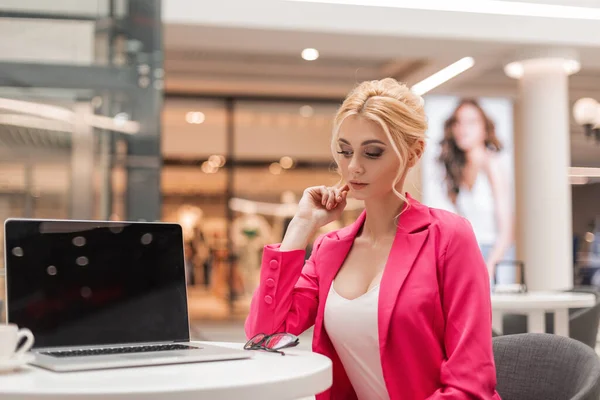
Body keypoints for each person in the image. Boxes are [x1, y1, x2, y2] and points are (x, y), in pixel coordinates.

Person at [245, 79, 500, 400]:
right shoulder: (330, 249)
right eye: (345, 151)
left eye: (372, 152)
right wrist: (300, 226)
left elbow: (470, 382)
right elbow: (263, 335)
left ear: (414, 153)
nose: (353, 167)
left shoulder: (448, 237)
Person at [438, 99, 514, 283]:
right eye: (458, 122)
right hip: (467, 255)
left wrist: (490, 265)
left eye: (471, 122)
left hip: (495, 256)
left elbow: (507, 231)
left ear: (484, 128)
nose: (464, 128)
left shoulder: (492, 164)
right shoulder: (457, 170)